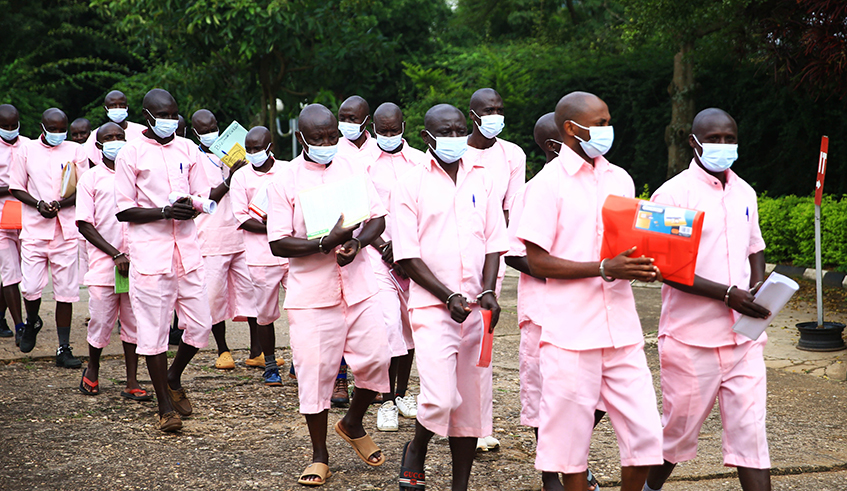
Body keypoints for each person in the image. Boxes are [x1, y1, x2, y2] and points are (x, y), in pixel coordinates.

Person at [517, 91, 664, 491]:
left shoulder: (620, 178)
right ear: (571, 129)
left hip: (622, 333)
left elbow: (625, 249)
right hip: (569, 336)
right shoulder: (546, 185)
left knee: (648, 437)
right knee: (569, 447)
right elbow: (537, 261)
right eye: (600, 124)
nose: (607, 130)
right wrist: (603, 268)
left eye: (607, 121)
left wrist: (642, 266)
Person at [644, 108, 772, 491]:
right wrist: (727, 294)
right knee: (677, 434)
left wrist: (759, 282)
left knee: (751, 438)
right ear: (693, 141)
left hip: (744, 342)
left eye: (729, 138)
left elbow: (755, 246)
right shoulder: (672, 194)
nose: (723, 146)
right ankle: (650, 487)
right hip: (690, 341)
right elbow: (664, 267)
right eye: (714, 139)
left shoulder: (744, 191)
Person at [267, 103, 390, 486]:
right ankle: (319, 455)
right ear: (300, 137)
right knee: (315, 376)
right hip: (312, 294)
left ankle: (352, 423)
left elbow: (377, 217)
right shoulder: (284, 180)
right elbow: (277, 243)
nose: (327, 143)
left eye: (332, 136)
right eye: (318, 138)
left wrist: (356, 244)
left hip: (357, 286)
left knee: (377, 361)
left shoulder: (352, 165)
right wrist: (325, 242)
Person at [393, 103, 507, 491]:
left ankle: (461, 484)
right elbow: (407, 256)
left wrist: (488, 290)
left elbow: (494, 240)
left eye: (461, 130)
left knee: (471, 404)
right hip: (432, 305)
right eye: (447, 132)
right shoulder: (410, 183)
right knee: (441, 397)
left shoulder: (483, 177)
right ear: (427, 138)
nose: (456, 138)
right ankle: (417, 447)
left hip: (477, 308)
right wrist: (447, 296)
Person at [114, 88, 231, 432]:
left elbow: (200, 195)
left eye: (173, 115)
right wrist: (164, 211)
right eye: (162, 115)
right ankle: (165, 407)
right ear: (147, 116)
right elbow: (123, 209)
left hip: (188, 254)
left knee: (200, 326)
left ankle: (172, 377)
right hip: (151, 255)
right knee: (153, 332)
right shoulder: (130, 153)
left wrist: (191, 206)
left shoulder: (188, 148)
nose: (169, 121)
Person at [506, 112, 603, 490]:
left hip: (586, 307)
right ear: (553, 145)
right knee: (546, 394)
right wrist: (557, 271)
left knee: (594, 395)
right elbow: (514, 253)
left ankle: (571, 458)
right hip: (544, 308)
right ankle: (551, 475)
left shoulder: (594, 185)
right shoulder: (533, 189)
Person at [464, 87, 526, 451]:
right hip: (451, 257)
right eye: (488, 110)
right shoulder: (453, 151)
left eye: (500, 109)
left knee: (482, 340)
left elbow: (511, 209)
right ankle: (449, 416)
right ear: (473, 114)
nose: (495, 116)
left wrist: (499, 248)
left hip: (492, 256)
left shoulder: (512, 154)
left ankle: (480, 426)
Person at [76, 122, 151, 401]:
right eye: (109, 137)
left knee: (133, 323)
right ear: (98, 146)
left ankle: (132, 380)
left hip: (137, 263)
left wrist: (132, 254)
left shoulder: (138, 177)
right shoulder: (91, 179)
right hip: (104, 264)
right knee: (101, 320)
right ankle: (93, 368)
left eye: (119, 136)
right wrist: (114, 254)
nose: (115, 140)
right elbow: (84, 224)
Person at [10, 108, 88, 368]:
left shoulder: (75, 151)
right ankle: (32, 322)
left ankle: (63, 348)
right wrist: (39, 204)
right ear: (41, 127)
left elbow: (84, 187)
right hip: (34, 228)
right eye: (52, 129)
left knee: (66, 293)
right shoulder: (27, 150)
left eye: (61, 130)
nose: (57, 134)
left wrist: (61, 204)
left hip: (65, 230)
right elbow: (17, 187)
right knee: (31, 288)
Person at [365, 102, 426, 432]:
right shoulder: (362, 164)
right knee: (388, 324)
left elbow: (426, 209)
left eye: (394, 130)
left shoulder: (420, 162)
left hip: (413, 256)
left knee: (410, 323)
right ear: (373, 128)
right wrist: (383, 246)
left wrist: (406, 251)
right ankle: (385, 398)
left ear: (404, 126)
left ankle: (403, 393)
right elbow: (359, 210)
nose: (388, 136)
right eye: (382, 130)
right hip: (377, 254)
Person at [190, 109, 259, 371]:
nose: (211, 133)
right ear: (194, 133)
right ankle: (223, 350)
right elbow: (205, 199)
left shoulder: (237, 152)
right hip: (211, 237)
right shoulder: (194, 158)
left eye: (214, 127)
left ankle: (257, 350)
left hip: (241, 234)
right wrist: (231, 178)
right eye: (204, 130)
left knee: (251, 292)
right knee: (214, 296)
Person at [229, 126, 289, 386]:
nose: (253, 153)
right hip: (260, 257)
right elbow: (242, 219)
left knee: (301, 310)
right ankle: (271, 364)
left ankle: (300, 363)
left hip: (290, 254)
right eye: (249, 149)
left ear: (270, 146)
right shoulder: (241, 177)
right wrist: (276, 227)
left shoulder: (288, 170)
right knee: (265, 315)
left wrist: (280, 227)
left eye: (258, 148)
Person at [332, 94, 377, 405]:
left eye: (353, 118)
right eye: (342, 117)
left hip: (376, 241)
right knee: (339, 315)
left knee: (372, 319)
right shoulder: (331, 149)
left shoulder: (381, 149)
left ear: (366, 120)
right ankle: (338, 380)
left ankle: (371, 382)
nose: (346, 123)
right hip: (339, 242)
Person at [0, 104, 26, 343]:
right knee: (10, 273)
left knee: (19, 271)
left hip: (25, 216)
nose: (10, 130)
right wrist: (11, 187)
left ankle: (0, 315)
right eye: (4, 126)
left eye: (13, 125)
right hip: (1, 219)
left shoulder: (28, 145)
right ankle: (20, 326)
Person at [83, 90, 146, 167]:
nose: (117, 108)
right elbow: (90, 161)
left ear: (127, 107)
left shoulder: (142, 131)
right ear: (106, 108)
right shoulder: (96, 135)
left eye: (121, 105)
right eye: (113, 105)